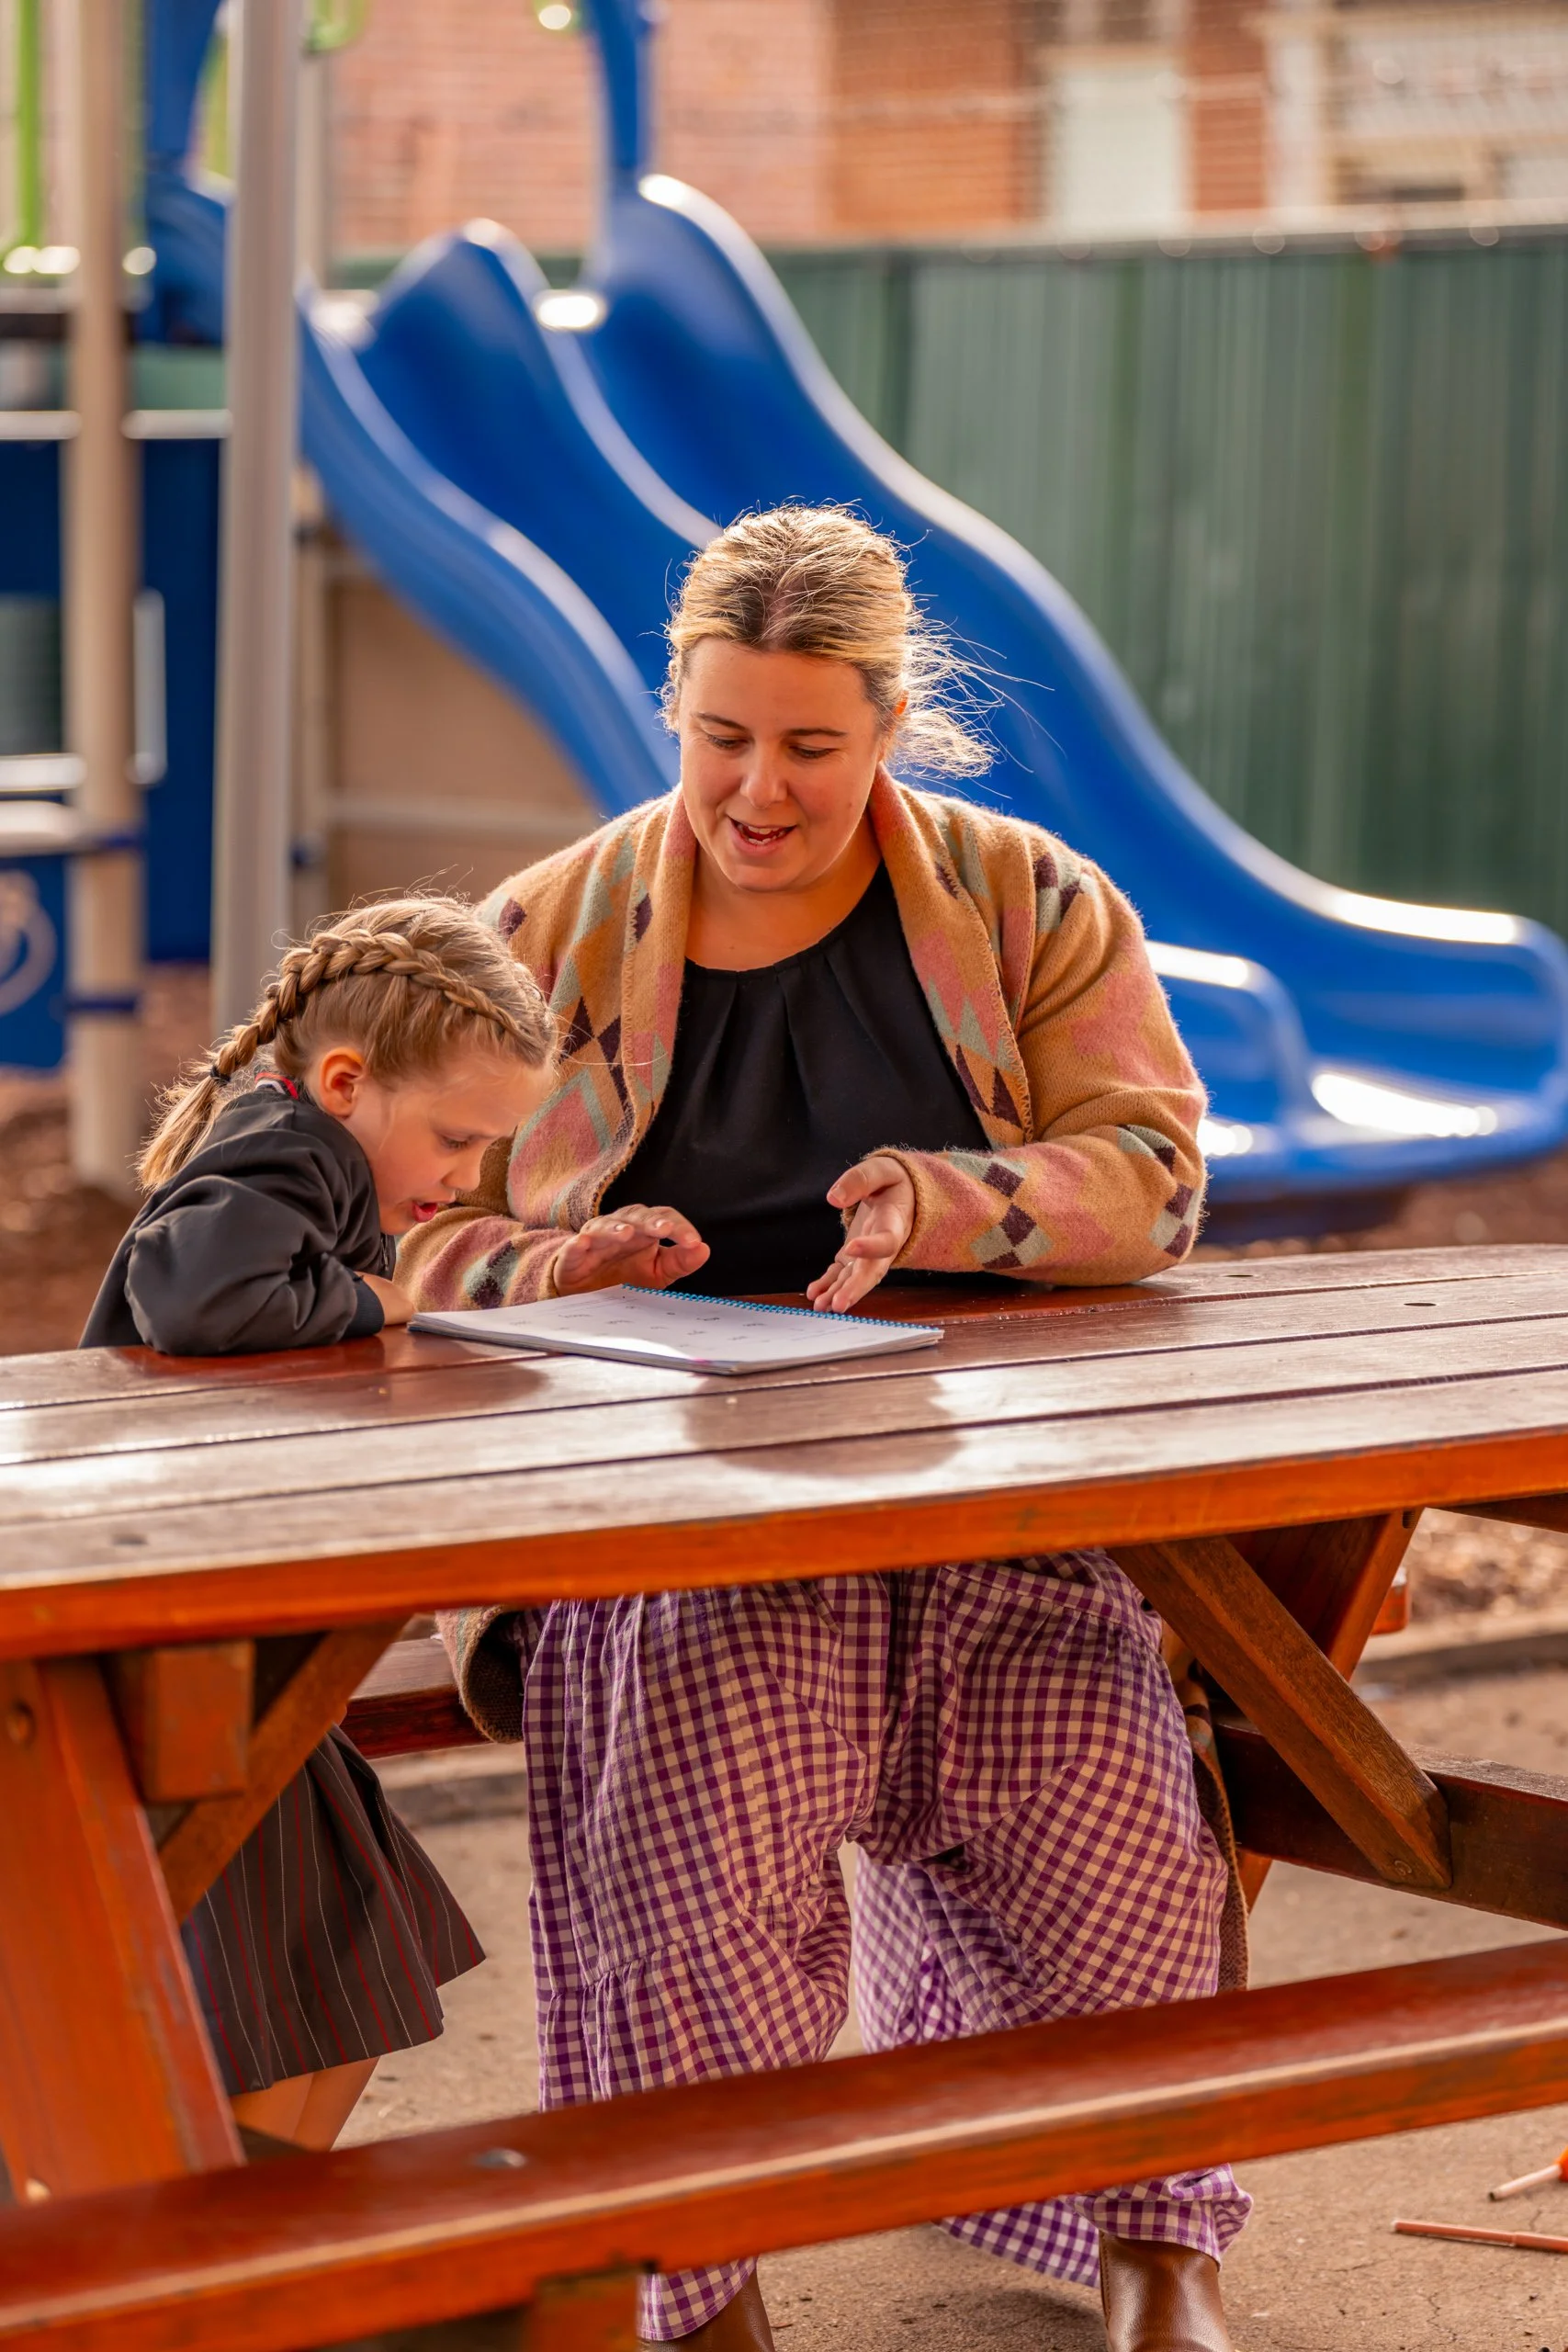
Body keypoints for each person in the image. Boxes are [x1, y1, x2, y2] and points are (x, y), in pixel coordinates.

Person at [400, 509, 1247, 2351]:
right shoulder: (530, 936)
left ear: (889, 724)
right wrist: (554, 1267)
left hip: (988, 1493)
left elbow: (1157, 1175)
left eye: (807, 744)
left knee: (1109, 1799)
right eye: (720, 738)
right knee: (703, 1846)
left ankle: (1160, 2246)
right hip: (669, 1522)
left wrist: (947, 1200)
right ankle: (700, 2288)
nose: (757, 791)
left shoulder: (1030, 900)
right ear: (673, 709)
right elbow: (375, 1212)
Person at [82, 896, 555, 2153]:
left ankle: (228, 2254)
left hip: (235, 1627)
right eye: (456, 1143)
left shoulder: (313, 1154)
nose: (460, 1184)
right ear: (346, 1081)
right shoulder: (289, 1146)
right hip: (174, 1639)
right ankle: (181, 2259)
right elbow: (197, 1295)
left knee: (358, 1942)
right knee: (319, 1954)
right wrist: (372, 1297)